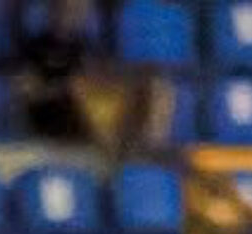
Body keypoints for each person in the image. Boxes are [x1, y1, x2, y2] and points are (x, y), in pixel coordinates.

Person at [13, 0, 174, 160]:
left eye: (77, 9)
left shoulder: (87, 47)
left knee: (157, 87)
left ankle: (148, 154)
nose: (71, 14)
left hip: (88, 118)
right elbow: (28, 92)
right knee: (85, 92)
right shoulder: (34, 47)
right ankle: (117, 155)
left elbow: (100, 79)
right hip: (54, 116)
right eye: (65, 8)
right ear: (52, 10)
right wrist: (66, 87)